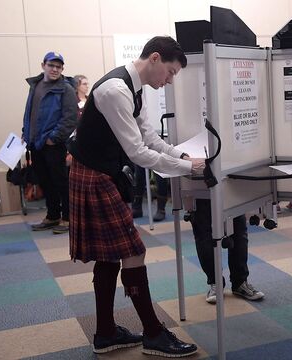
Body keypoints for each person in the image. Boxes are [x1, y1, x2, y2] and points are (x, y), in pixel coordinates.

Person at [68, 36, 203, 357]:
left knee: (110, 255)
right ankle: (153, 333)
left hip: (101, 172)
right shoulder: (115, 90)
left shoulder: (134, 87)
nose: (169, 80)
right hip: (93, 175)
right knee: (133, 250)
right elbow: (138, 152)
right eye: (170, 72)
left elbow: (149, 136)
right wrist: (185, 167)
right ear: (155, 58)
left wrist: (181, 154)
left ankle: (105, 333)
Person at [23, 51, 77, 235]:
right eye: (51, 65)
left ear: (62, 69)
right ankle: (53, 215)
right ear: (43, 65)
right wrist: (26, 132)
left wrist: (53, 138)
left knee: (61, 182)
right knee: (45, 181)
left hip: (53, 144)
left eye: (58, 66)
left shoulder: (66, 89)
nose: (55, 69)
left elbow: (70, 118)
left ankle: (68, 218)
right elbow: (30, 112)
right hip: (35, 143)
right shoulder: (35, 85)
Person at [190, 199, 264, 303]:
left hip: (231, 188)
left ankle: (240, 282)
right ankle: (215, 282)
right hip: (198, 188)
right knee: (203, 234)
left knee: (239, 231)